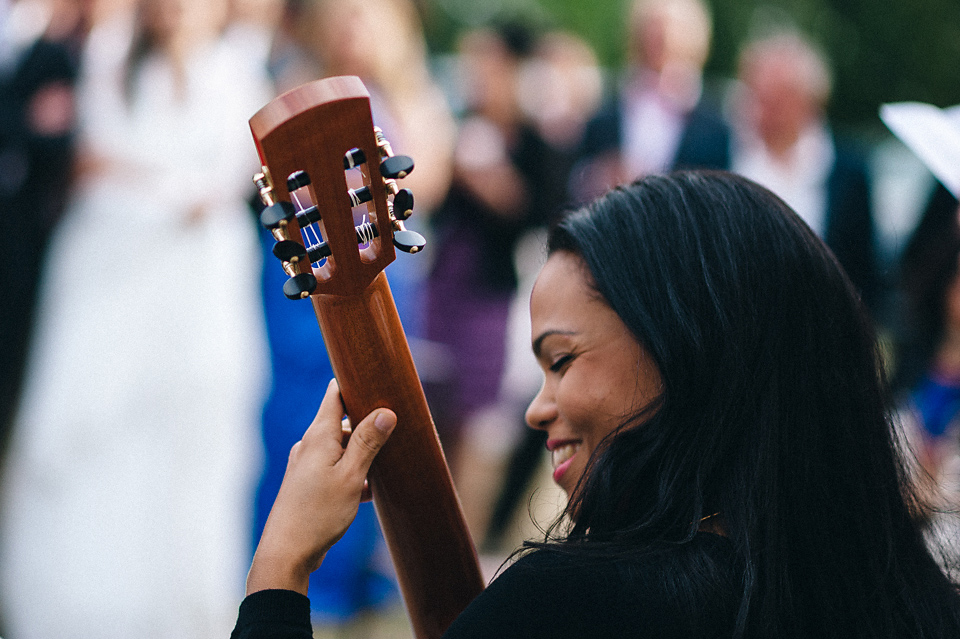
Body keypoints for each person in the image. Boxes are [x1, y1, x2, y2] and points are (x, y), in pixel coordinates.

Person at [232, 170, 960, 638]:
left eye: (562, 359)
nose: (535, 409)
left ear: (685, 345)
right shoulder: (914, 595)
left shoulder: (570, 606)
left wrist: (280, 570)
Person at [0, 0, 271, 636]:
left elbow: (244, 174)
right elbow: (77, 158)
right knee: (88, 430)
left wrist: (198, 194)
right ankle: (72, 607)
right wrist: (168, 188)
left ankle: (181, 611)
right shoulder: (101, 58)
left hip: (199, 284)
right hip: (108, 270)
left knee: (193, 433)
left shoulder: (236, 69)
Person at [731, 31, 880, 312]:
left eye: (776, 99)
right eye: (756, 94)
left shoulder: (846, 171)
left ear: (810, 102)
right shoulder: (714, 151)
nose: (762, 110)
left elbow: (864, 275)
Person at [572, 0, 731, 203]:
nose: (661, 36)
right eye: (652, 26)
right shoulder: (605, 114)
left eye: (672, 27)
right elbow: (577, 181)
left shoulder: (716, 126)